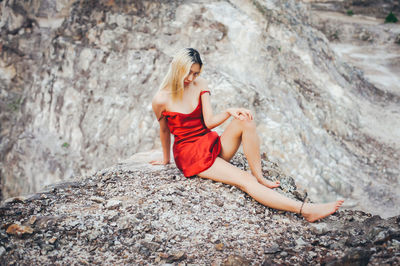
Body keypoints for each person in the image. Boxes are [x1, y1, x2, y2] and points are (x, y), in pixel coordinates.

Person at [150, 48, 343, 222]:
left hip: (208, 142)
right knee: (244, 180)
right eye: (188, 73)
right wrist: (166, 159)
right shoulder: (161, 99)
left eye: (196, 73)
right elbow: (164, 130)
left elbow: (208, 122)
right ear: (177, 68)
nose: (191, 78)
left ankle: (259, 176)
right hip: (191, 155)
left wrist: (230, 111)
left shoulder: (200, 84)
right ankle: (305, 210)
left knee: (245, 119)